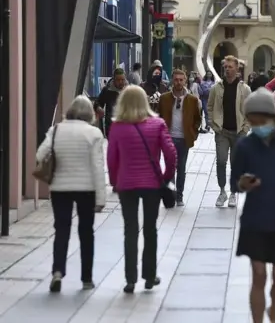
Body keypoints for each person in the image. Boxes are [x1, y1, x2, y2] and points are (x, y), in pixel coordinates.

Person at [230, 88, 275, 323]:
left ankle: (274, 309)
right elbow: (235, 181)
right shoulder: (245, 146)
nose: (256, 125)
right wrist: (243, 184)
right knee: (259, 274)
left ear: (272, 117)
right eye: (252, 121)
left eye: (260, 120)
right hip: (256, 218)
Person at [107, 85, 177, 294]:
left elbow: (112, 158)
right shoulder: (157, 125)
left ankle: (130, 279)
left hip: (127, 184)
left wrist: (114, 181)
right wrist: (165, 177)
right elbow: (171, 153)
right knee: (150, 229)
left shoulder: (117, 127)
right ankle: (149, 275)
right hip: (151, 186)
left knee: (130, 230)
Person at [36, 95, 105, 293]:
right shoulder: (93, 133)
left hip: (60, 188)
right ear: (90, 113)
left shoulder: (56, 130)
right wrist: (100, 199)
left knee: (62, 230)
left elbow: (40, 154)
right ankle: (86, 278)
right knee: (86, 232)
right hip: (86, 189)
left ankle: (57, 272)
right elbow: (97, 167)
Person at [207, 55, 252, 208]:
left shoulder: (244, 89)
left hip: (239, 132)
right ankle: (222, 191)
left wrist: (246, 128)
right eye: (225, 67)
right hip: (222, 131)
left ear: (237, 69)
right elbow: (210, 107)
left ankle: (233, 193)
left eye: (230, 67)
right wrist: (213, 125)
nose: (227, 69)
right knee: (221, 161)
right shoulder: (217, 87)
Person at [158, 69, 202, 206]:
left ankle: (179, 196)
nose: (178, 82)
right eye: (176, 79)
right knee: (170, 168)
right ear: (172, 80)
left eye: (181, 80)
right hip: (168, 138)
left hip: (184, 138)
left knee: (181, 168)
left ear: (185, 81)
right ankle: (170, 195)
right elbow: (158, 116)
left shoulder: (192, 100)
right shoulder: (164, 98)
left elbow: (198, 119)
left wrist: (193, 133)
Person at [95, 68, 128, 138]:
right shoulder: (107, 91)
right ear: (113, 80)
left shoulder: (129, 90)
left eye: (122, 80)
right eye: (118, 80)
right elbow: (98, 102)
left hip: (126, 126)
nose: (121, 82)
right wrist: (99, 108)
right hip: (111, 126)